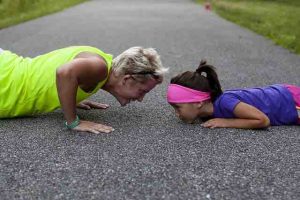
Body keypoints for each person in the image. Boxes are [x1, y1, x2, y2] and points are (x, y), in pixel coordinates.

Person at [0, 46, 168, 133]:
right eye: (143, 91)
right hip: (6, 82)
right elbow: (64, 72)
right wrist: (73, 122)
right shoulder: (99, 68)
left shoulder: (101, 64)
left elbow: (57, 72)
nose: (141, 99)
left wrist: (69, 97)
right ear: (127, 79)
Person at [167, 60, 300, 129]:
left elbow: (263, 120)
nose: (176, 113)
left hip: (291, 101)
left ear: (199, 102)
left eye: (178, 107)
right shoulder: (208, 111)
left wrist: (225, 122)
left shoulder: (225, 102)